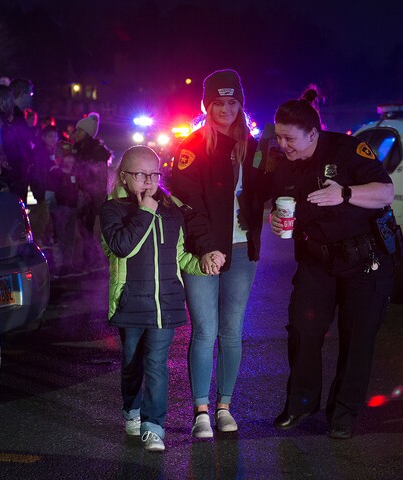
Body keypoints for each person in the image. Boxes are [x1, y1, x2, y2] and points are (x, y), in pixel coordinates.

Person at [268, 88, 395, 440]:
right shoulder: (282, 162)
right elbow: (281, 206)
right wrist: (276, 222)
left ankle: (343, 413)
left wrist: (345, 193)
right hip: (317, 260)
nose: (283, 144)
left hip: (364, 260)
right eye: (278, 135)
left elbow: (386, 191)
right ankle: (301, 404)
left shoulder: (347, 150)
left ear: (313, 133)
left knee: (357, 339)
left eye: (289, 138)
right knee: (302, 330)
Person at [169, 69, 267, 438]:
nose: (226, 109)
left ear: (241, 104)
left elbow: (266, 190)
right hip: (202, 252)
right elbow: (187, 203)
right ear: (207, 105)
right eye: (218, 102)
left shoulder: (254, 147)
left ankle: (225, 406)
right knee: (205, 330)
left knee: (231, 331)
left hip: (242, 249)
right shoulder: (191, 147)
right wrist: (208, 246)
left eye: (232, 102)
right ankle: (201, 412)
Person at [100, 145, 205, 452]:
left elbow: (181, 255)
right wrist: (145, 210)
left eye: (154, 174)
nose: (148, 181)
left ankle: (153, 426)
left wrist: (201, 264)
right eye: (140, 174)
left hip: (166, 304)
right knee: (132, 363)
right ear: (123, 176)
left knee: (157, 363)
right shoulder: (112, 210)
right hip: (131, 303)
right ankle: (131, 412)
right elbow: (122, 247)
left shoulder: (171, 209)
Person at [71, 112, 111, 272]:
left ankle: (93, 261)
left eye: (80, 131)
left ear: (87, 133)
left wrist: (94, 198)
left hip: (91, 197)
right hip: (82, 195)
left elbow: (100, 179)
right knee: (83, 229)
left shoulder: (96, 151)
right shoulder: (79, 149)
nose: (76, 133)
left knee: (89, 230)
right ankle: (89, 260)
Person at [47, 152, 80, 277]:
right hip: (60, 208)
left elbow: (77, 191)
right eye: (67, 156)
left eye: (71, 157)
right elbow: (50, 191)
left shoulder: (73, 174)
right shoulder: (56, 172)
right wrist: (52, 209)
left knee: (70, 238)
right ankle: (59, 266)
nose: (70, 160)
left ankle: (67, 265)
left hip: (71, 209)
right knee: (59, 238)